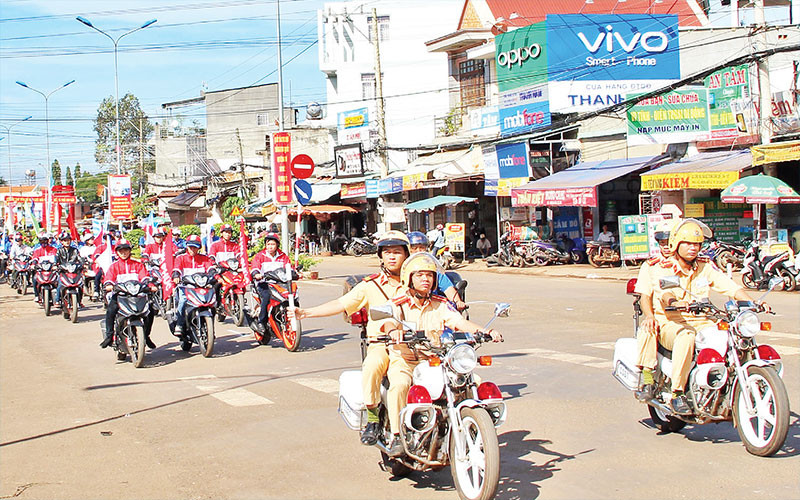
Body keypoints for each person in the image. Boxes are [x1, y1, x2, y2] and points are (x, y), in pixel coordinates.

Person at [287, 231, 410, 446]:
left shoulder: (418, 281)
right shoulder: (370, 285)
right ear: (380, 256)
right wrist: (306, 313)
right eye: (387, 252)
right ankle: (373, 419)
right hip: (382, 344)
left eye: (397, 252)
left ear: (406, 255)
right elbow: (341, 304)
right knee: (372, 366)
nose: (392, 257)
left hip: (413, 345)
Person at [376, 252, 503, 455]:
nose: (425, 279)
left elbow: (459, 322)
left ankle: (476, 430)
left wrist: (484, 331)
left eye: (429, 276)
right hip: (406, 360)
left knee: (473, 381)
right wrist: (394, 331)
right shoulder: (398, 303)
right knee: (399, 386)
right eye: (420, 275)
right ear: (409, 278)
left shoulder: (440, 304)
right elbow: (389, 321)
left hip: (436, 360)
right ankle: (397, 435)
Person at [639, 219, 770, 414]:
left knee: (732, 334)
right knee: (686, 336)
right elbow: (666, 293)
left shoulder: (705, 266)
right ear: (676, 244)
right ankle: (678, 393)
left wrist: (753, 302)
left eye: (697, 244)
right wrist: (675, 303)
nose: (693, 248)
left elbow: (731, 287)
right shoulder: (663, 267)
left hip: (703, 321)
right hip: (672, 322)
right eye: (688, 244)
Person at [633, 218, 677, 400]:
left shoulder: (689, 263)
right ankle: (648, 380)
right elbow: (645, 296)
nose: (666, 247)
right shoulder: (650, 266)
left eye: (669, 243)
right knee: (648, 329)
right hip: (662, 316)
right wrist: (649, 315)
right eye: (662, 243)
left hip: (691, 316)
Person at [99, 239, 156, 349]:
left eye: (126, 250)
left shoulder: (138, 265)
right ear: (117, 252)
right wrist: (109, 286)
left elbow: (144, 277)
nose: (124, 253)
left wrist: (150, 286)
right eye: (121, 250)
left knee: (150, 310)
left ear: (130, 251)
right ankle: (109, 336)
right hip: (120, 296)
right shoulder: (114, 266)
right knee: (111, 310)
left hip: (137, 295)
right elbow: (109, 279)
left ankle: (146, 335)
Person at [407, 231, 466, 311]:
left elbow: (447, 288)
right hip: (409, 308)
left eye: (422, 247)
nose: (418, 251)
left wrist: (458, 301)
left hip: (432, 308)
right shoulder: (403, 270)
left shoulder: (433, 269)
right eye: (414, 248)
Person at [171, 235, 215, 336]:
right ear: (187, 246)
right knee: (182, 301)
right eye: (190, 247)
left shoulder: (204, 258)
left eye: (195, 247)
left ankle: (211, 329)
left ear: (199, 248)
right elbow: (176, 269)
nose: (192, 249)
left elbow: (210, 268)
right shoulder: (181, 258)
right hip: (186, 287)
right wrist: (176, 275)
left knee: (212, 303)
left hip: (201, 288)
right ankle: (180, 324)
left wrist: (213, 273)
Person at [249, 232, 291, 334]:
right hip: (264, 284)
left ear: (277, 245)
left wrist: (295, 273)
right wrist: (256, 274)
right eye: (268, 244)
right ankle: (261, 322)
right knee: (266, 297)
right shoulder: (260, 256)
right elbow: (255, 267)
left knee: (291, 296)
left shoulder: (283, 256)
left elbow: (289, 267)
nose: (270, 247)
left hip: (280, 284)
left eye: (272, 244)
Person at [55, 231, 82, 304]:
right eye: (65, 240)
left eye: (68, 240)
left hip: (73, 271)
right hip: (63, 271)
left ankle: (79, 301)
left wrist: (82, 264)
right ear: (61, 242)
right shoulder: (59, 251)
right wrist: (55, 266)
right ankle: (57, 300)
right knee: (60, 284)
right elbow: (56, 260)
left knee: (80, 285)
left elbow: (80, 259)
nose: (67, 242)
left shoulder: (75, 250)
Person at [31, 233, 57, 303]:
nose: (43, 242)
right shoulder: (37, 250)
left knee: (58, 280)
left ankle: (58, 297)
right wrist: (33, 264)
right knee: (35, 279)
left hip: (51, 270)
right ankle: (37, 295)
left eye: (45, 240)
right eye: (42, 241)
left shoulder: (53, 249)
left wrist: (56, 264)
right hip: (41, 270)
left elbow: (56, 258)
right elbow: (35, 258)